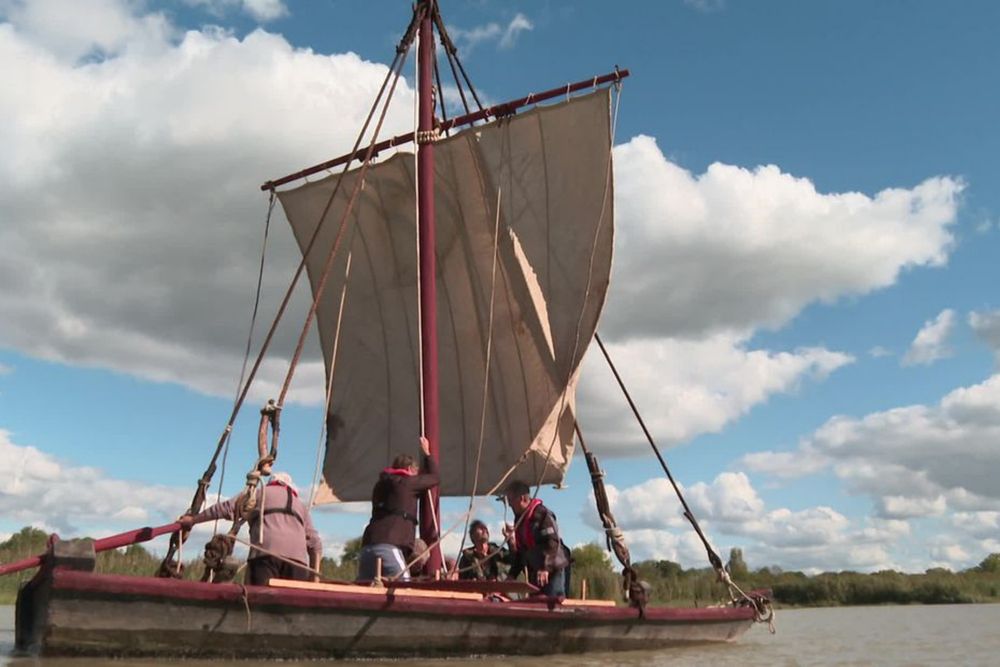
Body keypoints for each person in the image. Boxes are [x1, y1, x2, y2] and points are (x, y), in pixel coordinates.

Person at [180, 471, 322, 586]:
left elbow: (225, 508)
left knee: (257, 603)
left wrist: (193, 520)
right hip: (298, 564)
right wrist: (315, 577)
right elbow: (315, 544)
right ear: (290, 487)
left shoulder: (259, 493)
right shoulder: (300, 505)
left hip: (265, 558)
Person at [358, 436, 439, 581]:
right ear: (409, 469)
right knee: (405, 587)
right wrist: (427, 453)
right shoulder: (407, 483)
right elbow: (435, 477)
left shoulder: (380, 485)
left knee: (366, 589)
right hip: (389, 547)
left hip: (367, 548)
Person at [503, 480, 569, 597]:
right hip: (537, 571)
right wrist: (512, 575)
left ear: (522, 498)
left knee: (552, 603)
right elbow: (521, 552)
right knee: (535, 603)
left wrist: (545, 568)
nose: (509, 505)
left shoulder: (542, 515)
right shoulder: (519, 520)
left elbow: (552, 541)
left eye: (511, 500)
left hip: (552, 569)